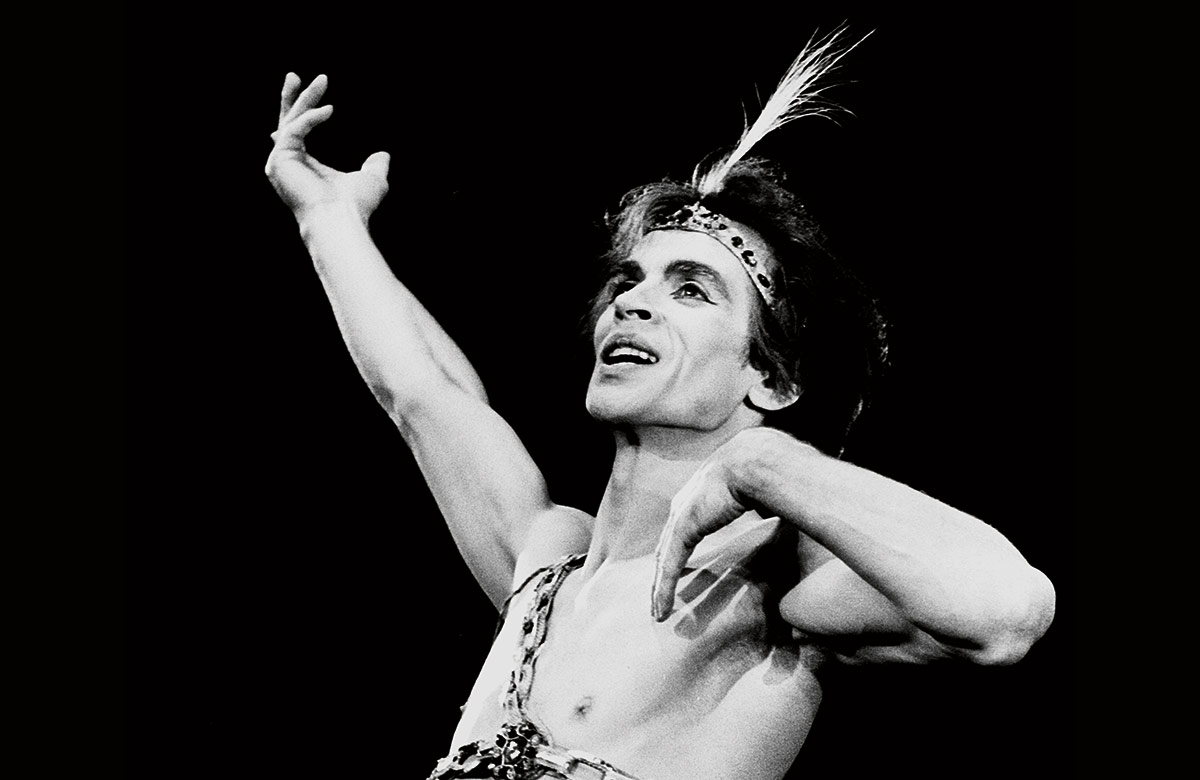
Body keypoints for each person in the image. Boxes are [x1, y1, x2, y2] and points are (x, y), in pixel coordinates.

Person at [264, 33, 1055, 780]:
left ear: (771, 382)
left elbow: (1007, 611)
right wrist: (326, 218)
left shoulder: (773, 589)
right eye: (629, 282)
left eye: (690, 290)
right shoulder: (545, 564)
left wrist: (767, 463)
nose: (633, 305)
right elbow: (423, 394)